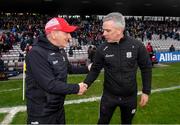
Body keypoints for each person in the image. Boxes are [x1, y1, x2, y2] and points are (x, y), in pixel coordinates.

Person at [83, 12, 152, 124]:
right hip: (109, 97)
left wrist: (146, 91)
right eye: (103, 30)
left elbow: (146, 68)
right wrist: (86, 84)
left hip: (130, 98)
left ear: (119, 30)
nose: (103, 34)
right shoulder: (102, 48)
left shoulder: (137, 46)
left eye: (108, 30)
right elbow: (95, 69)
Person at [25, 17, 88, 124]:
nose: (70, 36)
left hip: (58, 109)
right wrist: (76, 88)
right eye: (66, 33)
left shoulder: (60, 50)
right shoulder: (36, 53)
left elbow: (70, 69)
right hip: (42, 113)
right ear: (54, 34)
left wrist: (88, 68)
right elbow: (49, 84)